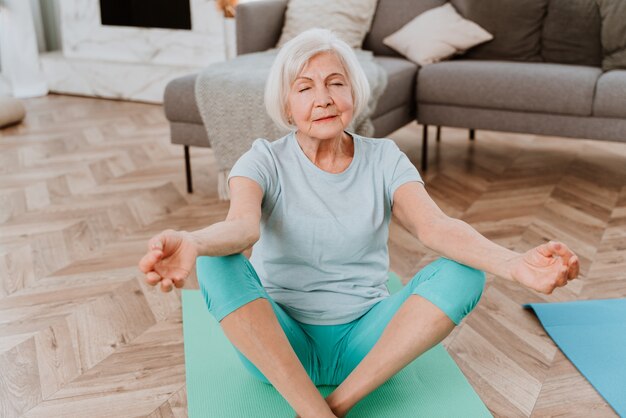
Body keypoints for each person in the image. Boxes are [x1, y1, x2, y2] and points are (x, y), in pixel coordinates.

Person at [138, 28, 580, 418]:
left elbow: (436, 227)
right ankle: (312, 410)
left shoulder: (385, 158)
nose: (324, 98)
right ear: (287, 105)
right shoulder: (263, 159)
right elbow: (242, 228)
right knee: (218, 261)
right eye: (305, 88)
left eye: (335, 83)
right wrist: (193, 241)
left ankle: (335, 406)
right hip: (278, 346)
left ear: (353, 93)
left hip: (368, 347)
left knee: (464, 272)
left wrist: (516, 263)